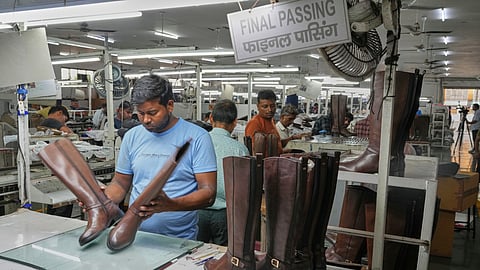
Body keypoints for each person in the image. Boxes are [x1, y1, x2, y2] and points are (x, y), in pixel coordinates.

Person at [99, 74, 217, 240]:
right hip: (135, 236)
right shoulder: (132, 136)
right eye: (140, 113)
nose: (146, 120)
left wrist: (171, 205)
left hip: (179, 240)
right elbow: (120, 183)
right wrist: (102, 200)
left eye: (152, 113)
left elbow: (209, 193)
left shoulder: (198, 137)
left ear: (169, 105)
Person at [197, 99, 250, 246]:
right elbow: (244, 186)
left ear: (211, 118)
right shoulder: (240, 149)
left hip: (198, 211)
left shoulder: (197, 143)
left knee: (194, 254)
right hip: (225, 214)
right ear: (235, 122)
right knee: (222, 256)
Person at [245, 89, 283, 153]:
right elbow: (253, 151)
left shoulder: (271, 120)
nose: (270, 110)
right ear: (258, 106)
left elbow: (275, 144)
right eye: (265, 106)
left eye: (272, 106)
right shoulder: (255, 123)